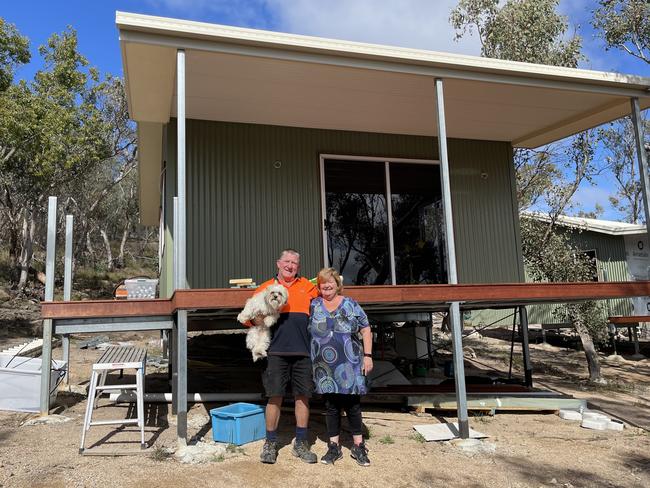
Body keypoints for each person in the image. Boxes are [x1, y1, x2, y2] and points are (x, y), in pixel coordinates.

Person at [250, 249, 319, 464]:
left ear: (298, 266)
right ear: (278, 263)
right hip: (276, 352)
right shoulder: (265, 288)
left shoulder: (308, 287)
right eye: (287, 261)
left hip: (303, 351)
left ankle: (300, 443)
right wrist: (258, 319)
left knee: (303, 397)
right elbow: (249, 315)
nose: (290, 266)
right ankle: (270, 443)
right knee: (275, 397)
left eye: (295, 263)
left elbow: (324, 308)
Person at [309, 267, 373, 466]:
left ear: (338, 285)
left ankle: (358, 446)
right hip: (324, 368)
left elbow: (365, 328)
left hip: (350, 363)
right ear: (318, 287)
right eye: (323, 285)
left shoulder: (351, 304)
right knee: (331, 406)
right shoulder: (313, 305)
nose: (327, 288)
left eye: (330, 284)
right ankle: (333, 447)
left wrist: (368, 356)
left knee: (352, 405)